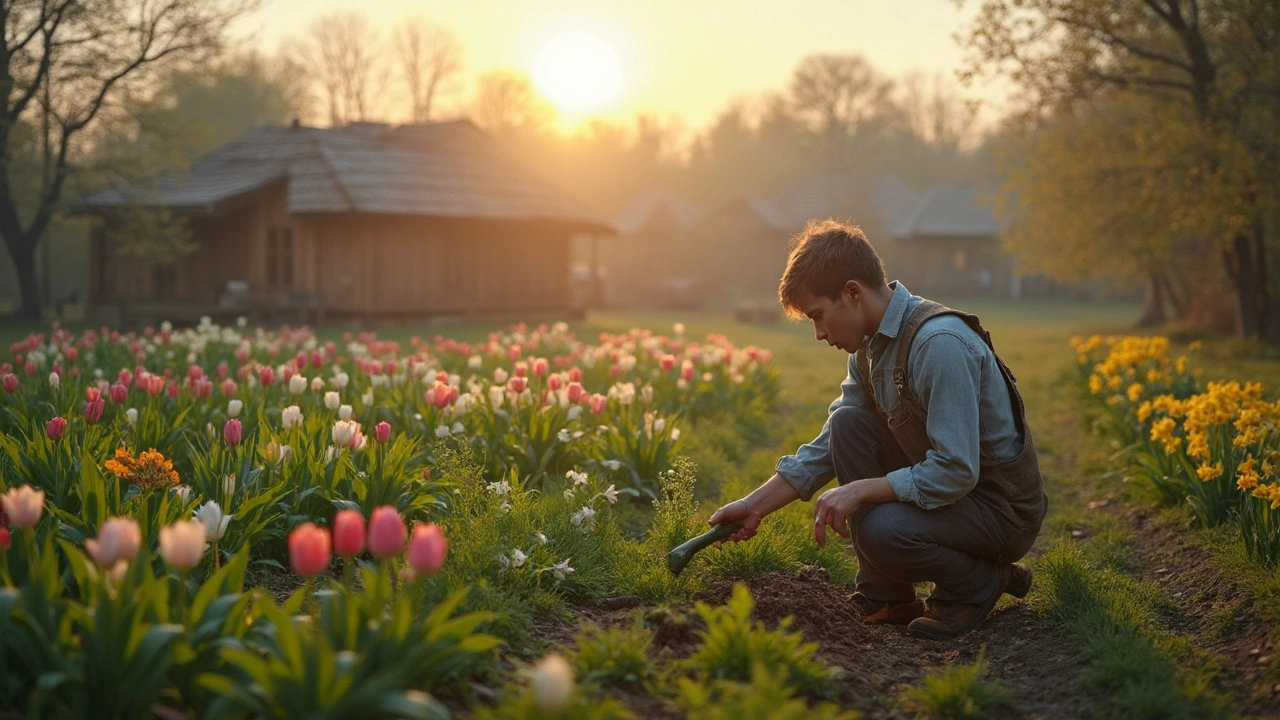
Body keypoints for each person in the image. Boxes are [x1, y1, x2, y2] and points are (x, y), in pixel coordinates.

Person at [707, 220, 1047, 640]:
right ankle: (888, 595)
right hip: (958, 498)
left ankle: (976, 583)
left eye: (818, 316)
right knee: (847, 424)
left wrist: (861, 490)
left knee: (882, 530)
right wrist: (755, 504)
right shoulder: (870, 349)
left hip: (1000, 510)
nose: (818, 334)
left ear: (852, 292)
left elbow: (957, 470)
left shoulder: (937, 345)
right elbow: (831, 444)